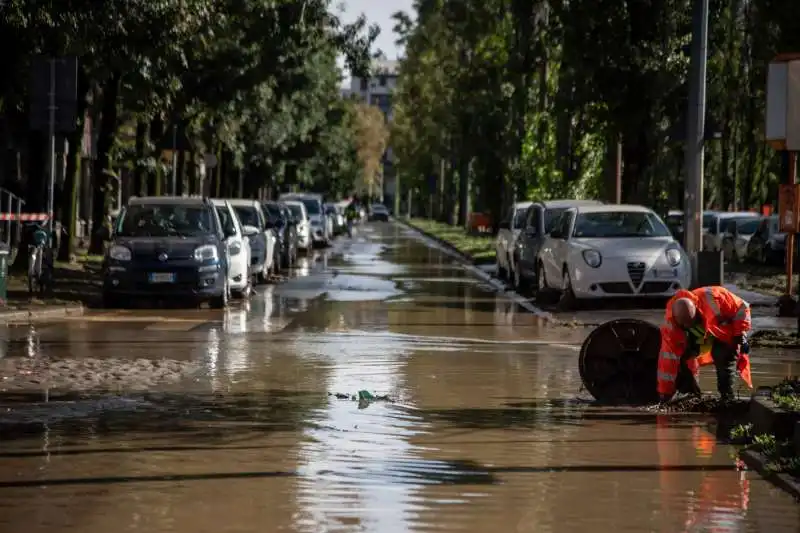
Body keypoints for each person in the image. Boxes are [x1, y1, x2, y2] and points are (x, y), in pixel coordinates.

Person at [657, 286, 752, 403]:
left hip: (724, 334)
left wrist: (740, 332)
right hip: (701, 337)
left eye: (693, 322)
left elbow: (743, 307)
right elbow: (668, 363)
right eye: (686, 326)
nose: (690, 326)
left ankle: (727, 397)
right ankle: (690, 392)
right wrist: (665, 394)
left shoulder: (714, 297)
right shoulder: (670, 327)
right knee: (682, 357)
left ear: (696, 310)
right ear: (679, 322)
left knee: (722, 356)